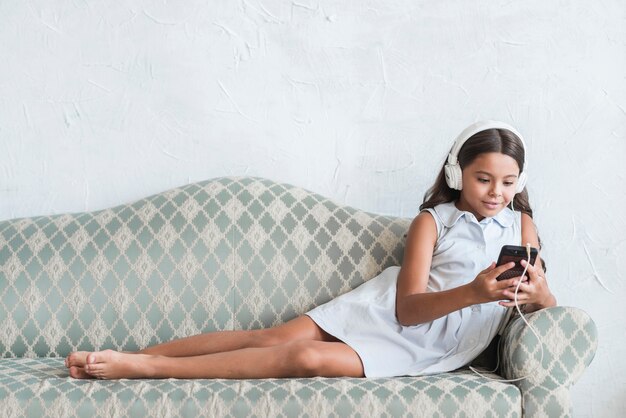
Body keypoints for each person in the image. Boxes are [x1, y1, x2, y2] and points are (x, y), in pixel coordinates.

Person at [65, 120, 556, 380]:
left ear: (521, 181)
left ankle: (150, 368)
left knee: (306, 358)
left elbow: (544, 303)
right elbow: (407, 309)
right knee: (270, 338)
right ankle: (133, 360)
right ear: (457, 174)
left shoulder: (522, 224)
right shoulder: (432, 221)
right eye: (483, 178)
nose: (495, 192)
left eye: (508, 182)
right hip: (391, 312)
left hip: (436, 345)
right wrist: (474, 291)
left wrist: (538, 295)